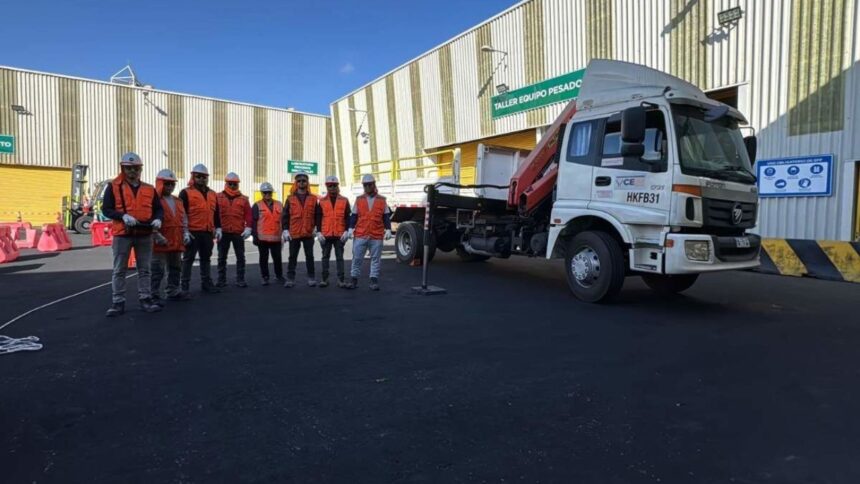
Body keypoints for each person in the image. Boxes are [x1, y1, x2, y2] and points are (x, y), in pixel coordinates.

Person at [101, 152, 163, 316]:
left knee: (145, 269)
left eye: (136, 168)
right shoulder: (113, 187)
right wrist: (122, 216)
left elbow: (158, 209)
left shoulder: (149, 189)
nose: (132, 172)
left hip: (144, 233)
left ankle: (145, 299)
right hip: (123, 233)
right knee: (119, 269)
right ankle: (118, 302)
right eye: (128, 168)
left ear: (140, 169)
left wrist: (158, 219)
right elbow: (106, 209)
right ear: (123, 168)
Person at [151, 169, 192, 305]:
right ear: (160, 183)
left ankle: (173, 291)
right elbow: (148, 218)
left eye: (172, 184)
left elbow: (183, 218)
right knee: (158, 269)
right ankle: (153, 295)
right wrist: (156, 235)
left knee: (175, 267)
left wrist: (185, 232)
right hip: (161, 241)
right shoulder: (153, 200)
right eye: (167, 184)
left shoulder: (178, 201)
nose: (169, 187)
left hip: (176, 239)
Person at [179, 164, 221, 294]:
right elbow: (181, 213)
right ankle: (184, 286)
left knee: (206, 258)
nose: (201, 179)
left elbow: (216, 213)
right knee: (188, 259)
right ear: (193, 177)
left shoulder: (213, 194)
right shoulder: (186, 193)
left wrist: (218, 228)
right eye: (198, 176)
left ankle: (206, 283)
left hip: (208, 232)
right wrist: (184, 231)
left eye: (204, 177)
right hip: (192, 232)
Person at [347, 174, 392, 291]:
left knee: (375, 259)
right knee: (357, 258)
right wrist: (350, 228)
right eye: (365, 185)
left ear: (374, 184)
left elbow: (386, 216)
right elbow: (354, 216)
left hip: (376, 235)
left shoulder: (382, 200)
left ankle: (374, 280)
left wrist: (388, 229)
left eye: (369, 184)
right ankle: (354, 280)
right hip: (361, 234)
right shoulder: (359, 199)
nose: (367, 187)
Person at [216, 172, 252, 288]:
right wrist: (216, 228)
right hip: (223, 232)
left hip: (238, 232)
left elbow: (248, 215)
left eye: (234, 184)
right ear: (226, 183)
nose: (232, 186)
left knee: (240, 257)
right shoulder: (217, 197)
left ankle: (240, 279)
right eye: (230, 184)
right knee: (222, 257)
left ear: (238, 185)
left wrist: (248, 227)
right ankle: (221, 279)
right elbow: (213, 214)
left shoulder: (244, 199)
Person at [281, 171, 317, 288]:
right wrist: (285, 230)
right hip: (294, 233)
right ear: (296, 183)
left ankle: (311, 277)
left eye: (304, 180)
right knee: (292, 257)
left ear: (307, 183)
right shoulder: (290, 199)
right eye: (299, 181)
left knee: (310, 256)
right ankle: (290, 279)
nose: (302, 183)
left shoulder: (313, 199)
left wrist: (316, 229)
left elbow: (317, 215)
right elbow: (285, 215)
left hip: (308, 232)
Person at [315, 176, 351, 288]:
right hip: (326, 234)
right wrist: (318, 232)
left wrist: (347, 231)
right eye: (330, 186)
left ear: (337, 186)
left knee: (340, 257)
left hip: (340, 234)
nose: (332, 188)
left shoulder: (344, 200)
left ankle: (341, 280)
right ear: (327, 187)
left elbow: (348, 217)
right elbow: (318, 217)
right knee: (325, 257)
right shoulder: (321, 201)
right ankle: (324, 279)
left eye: (334, 185)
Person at [252, 182, 285, 286]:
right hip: (262, 238)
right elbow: (254, 222)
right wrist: (255, 236)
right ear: (262, 193)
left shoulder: (279, 204)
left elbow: (283, 220)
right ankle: (265, 277)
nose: (267, 194)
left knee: (277, 258)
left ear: (272, 193)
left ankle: (279, 275)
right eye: (265, 192)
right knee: (263, 259)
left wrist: (285, 233)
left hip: (276, 238)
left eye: (269, 192)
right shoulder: (257, 205)